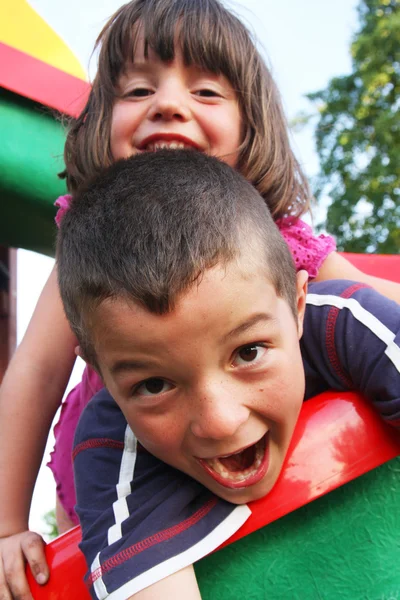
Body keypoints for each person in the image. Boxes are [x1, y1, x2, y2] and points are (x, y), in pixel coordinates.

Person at [0, 0, 399, 597]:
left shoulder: (282, 240)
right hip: (138, 461)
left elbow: (370, 297)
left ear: (250, 125)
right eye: (136, 89)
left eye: (207, 92)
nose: (167, 103)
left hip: (263, 436)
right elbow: (34, 373)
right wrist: (7, 522)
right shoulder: (96, 253)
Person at [57, 150, 400, 600]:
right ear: (100, 373)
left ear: (297, 307)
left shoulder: (345, 321)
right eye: (155, 385)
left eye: (249, 352)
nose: (220, 420)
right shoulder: (109, 440)